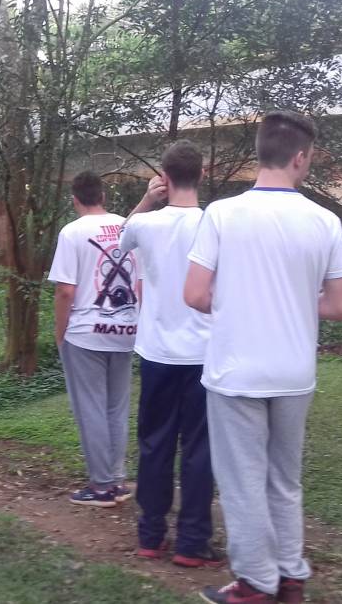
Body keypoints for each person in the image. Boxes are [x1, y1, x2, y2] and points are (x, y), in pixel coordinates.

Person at [185, 111, 342, 604]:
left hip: (236, 371)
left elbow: (194, 294)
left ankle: (256, 582)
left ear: (260, 153)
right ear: (300, 157)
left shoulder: (221, 215)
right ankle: (290, 574)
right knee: (284, 480)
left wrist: (240, 301)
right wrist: (294, 301)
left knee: (242, 483)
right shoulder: (325, 221)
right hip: (294, 372)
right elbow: (340, 306)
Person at [119, 141, 219, 568]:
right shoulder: (216, 223)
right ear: (203, 174)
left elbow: (122, 238)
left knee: (155, 442)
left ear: (164, 176)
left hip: (157, 352)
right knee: (200, 448)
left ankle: (150, 536)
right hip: (204, 354)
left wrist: (146, 198)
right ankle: (192, 543)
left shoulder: (146, 225)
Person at [49, 170, 142, 509]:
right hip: (126, 330)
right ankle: (116, 479)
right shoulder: (128, 227)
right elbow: (141, 282)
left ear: (75, 200)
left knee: (90, 408)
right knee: (116, 408)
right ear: (103, 196)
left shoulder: (72, 232)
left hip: (86, 333)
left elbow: (65, 290)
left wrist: (60, 333)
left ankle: (101, 486)